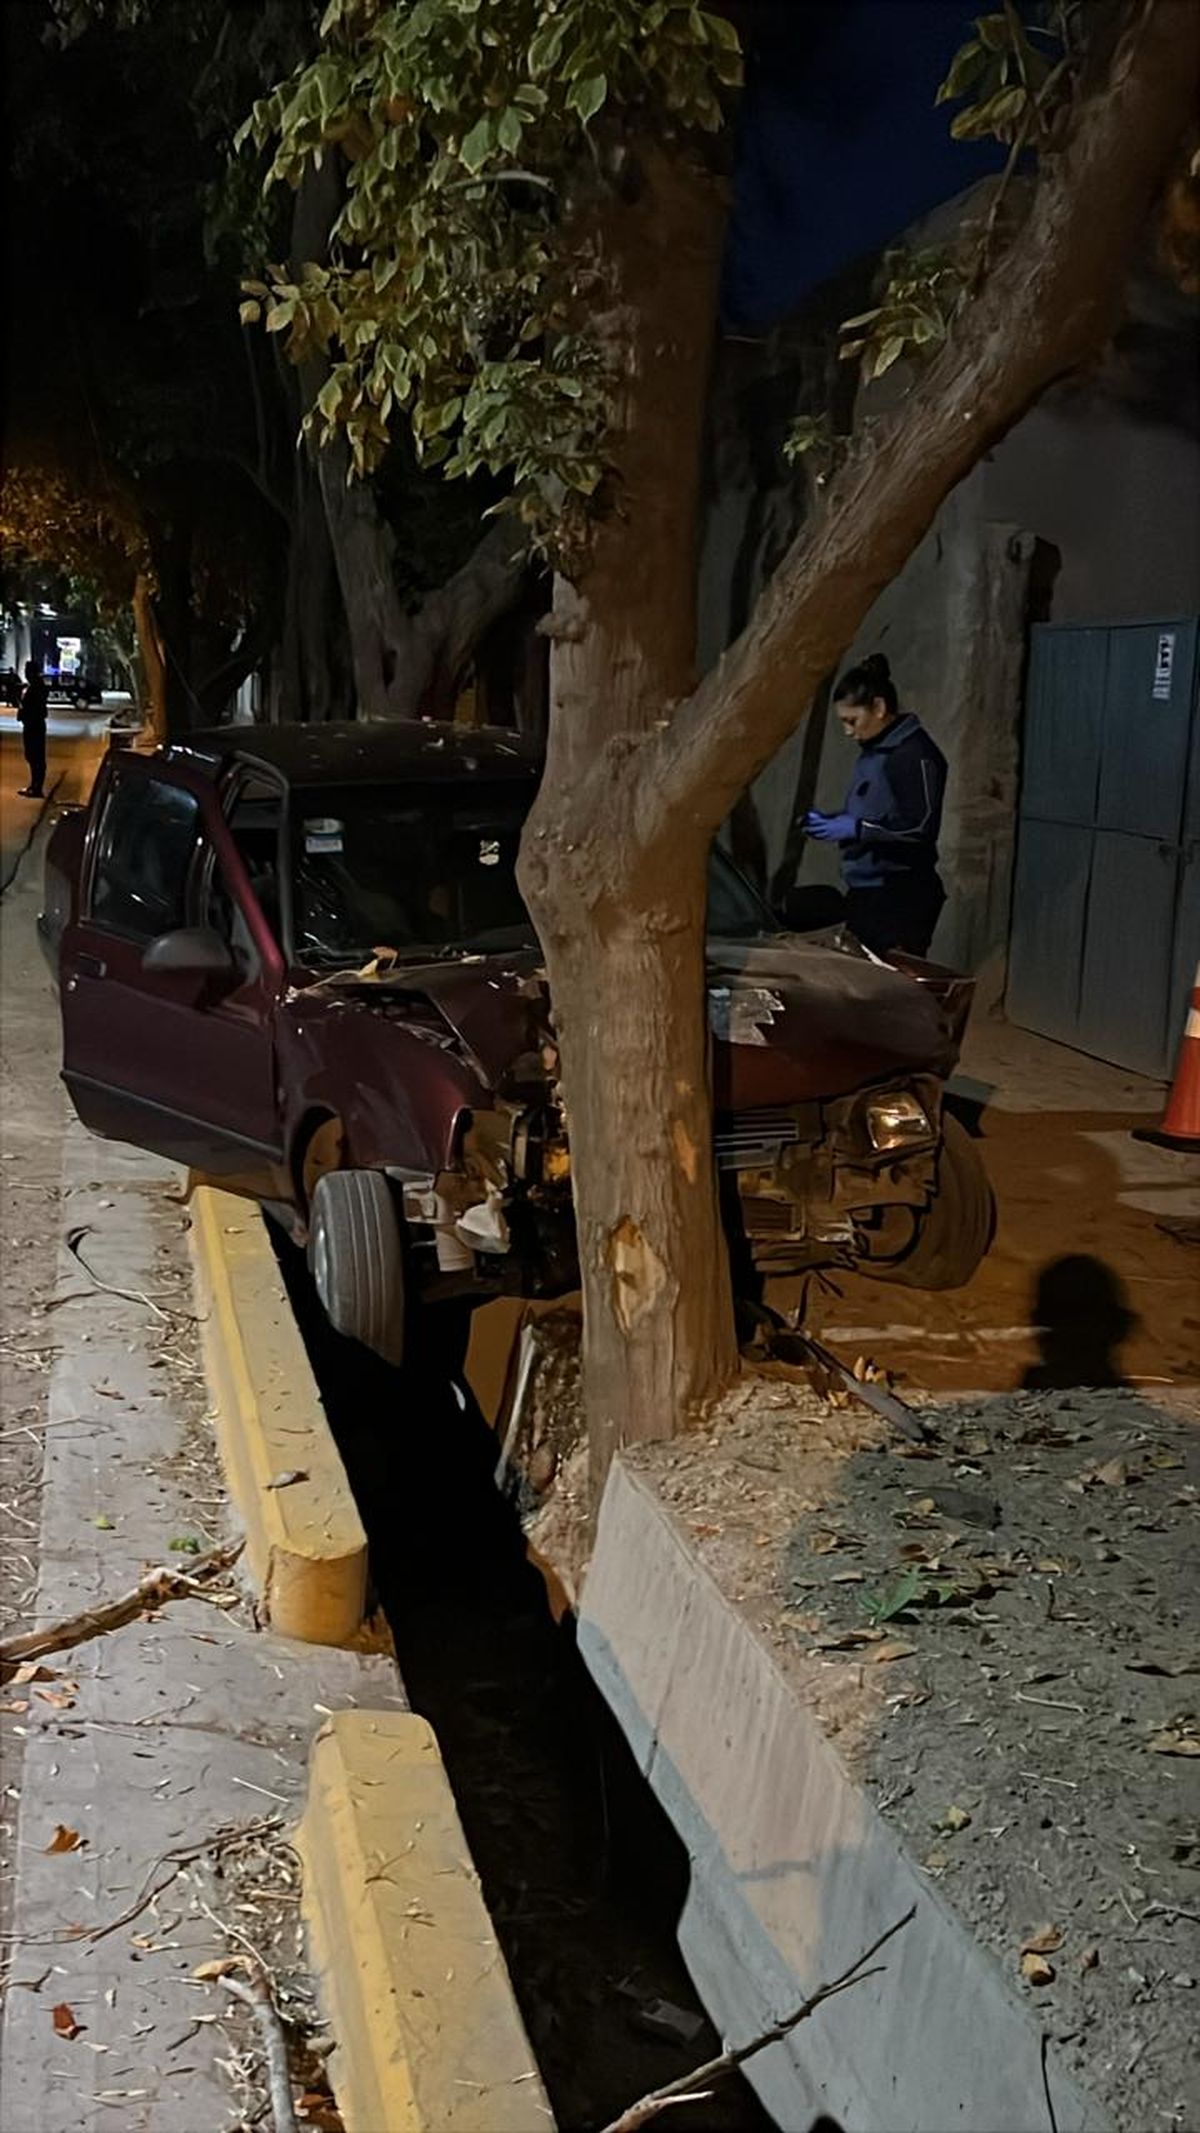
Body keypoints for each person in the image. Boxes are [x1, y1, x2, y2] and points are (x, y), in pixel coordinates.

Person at [804, 652, 947, 957]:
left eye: (852, 720)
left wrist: (856, 828)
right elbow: (876, 814)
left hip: (899, 894)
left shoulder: (912, 755)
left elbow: (919, 826)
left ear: (879, 708)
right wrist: (833, 824)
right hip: (868, 890)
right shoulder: (875, 752)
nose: (848, 731)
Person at [17, 660, 49, 799]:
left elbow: (36, 707)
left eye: (27, 670)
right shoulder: (34, 686)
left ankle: (37, 787)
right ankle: (34, 785)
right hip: (31, 725)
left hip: (34, 725)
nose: (25, 673)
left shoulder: (37, 687)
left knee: (36, 756)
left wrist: (24, 711)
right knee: (32, 756)